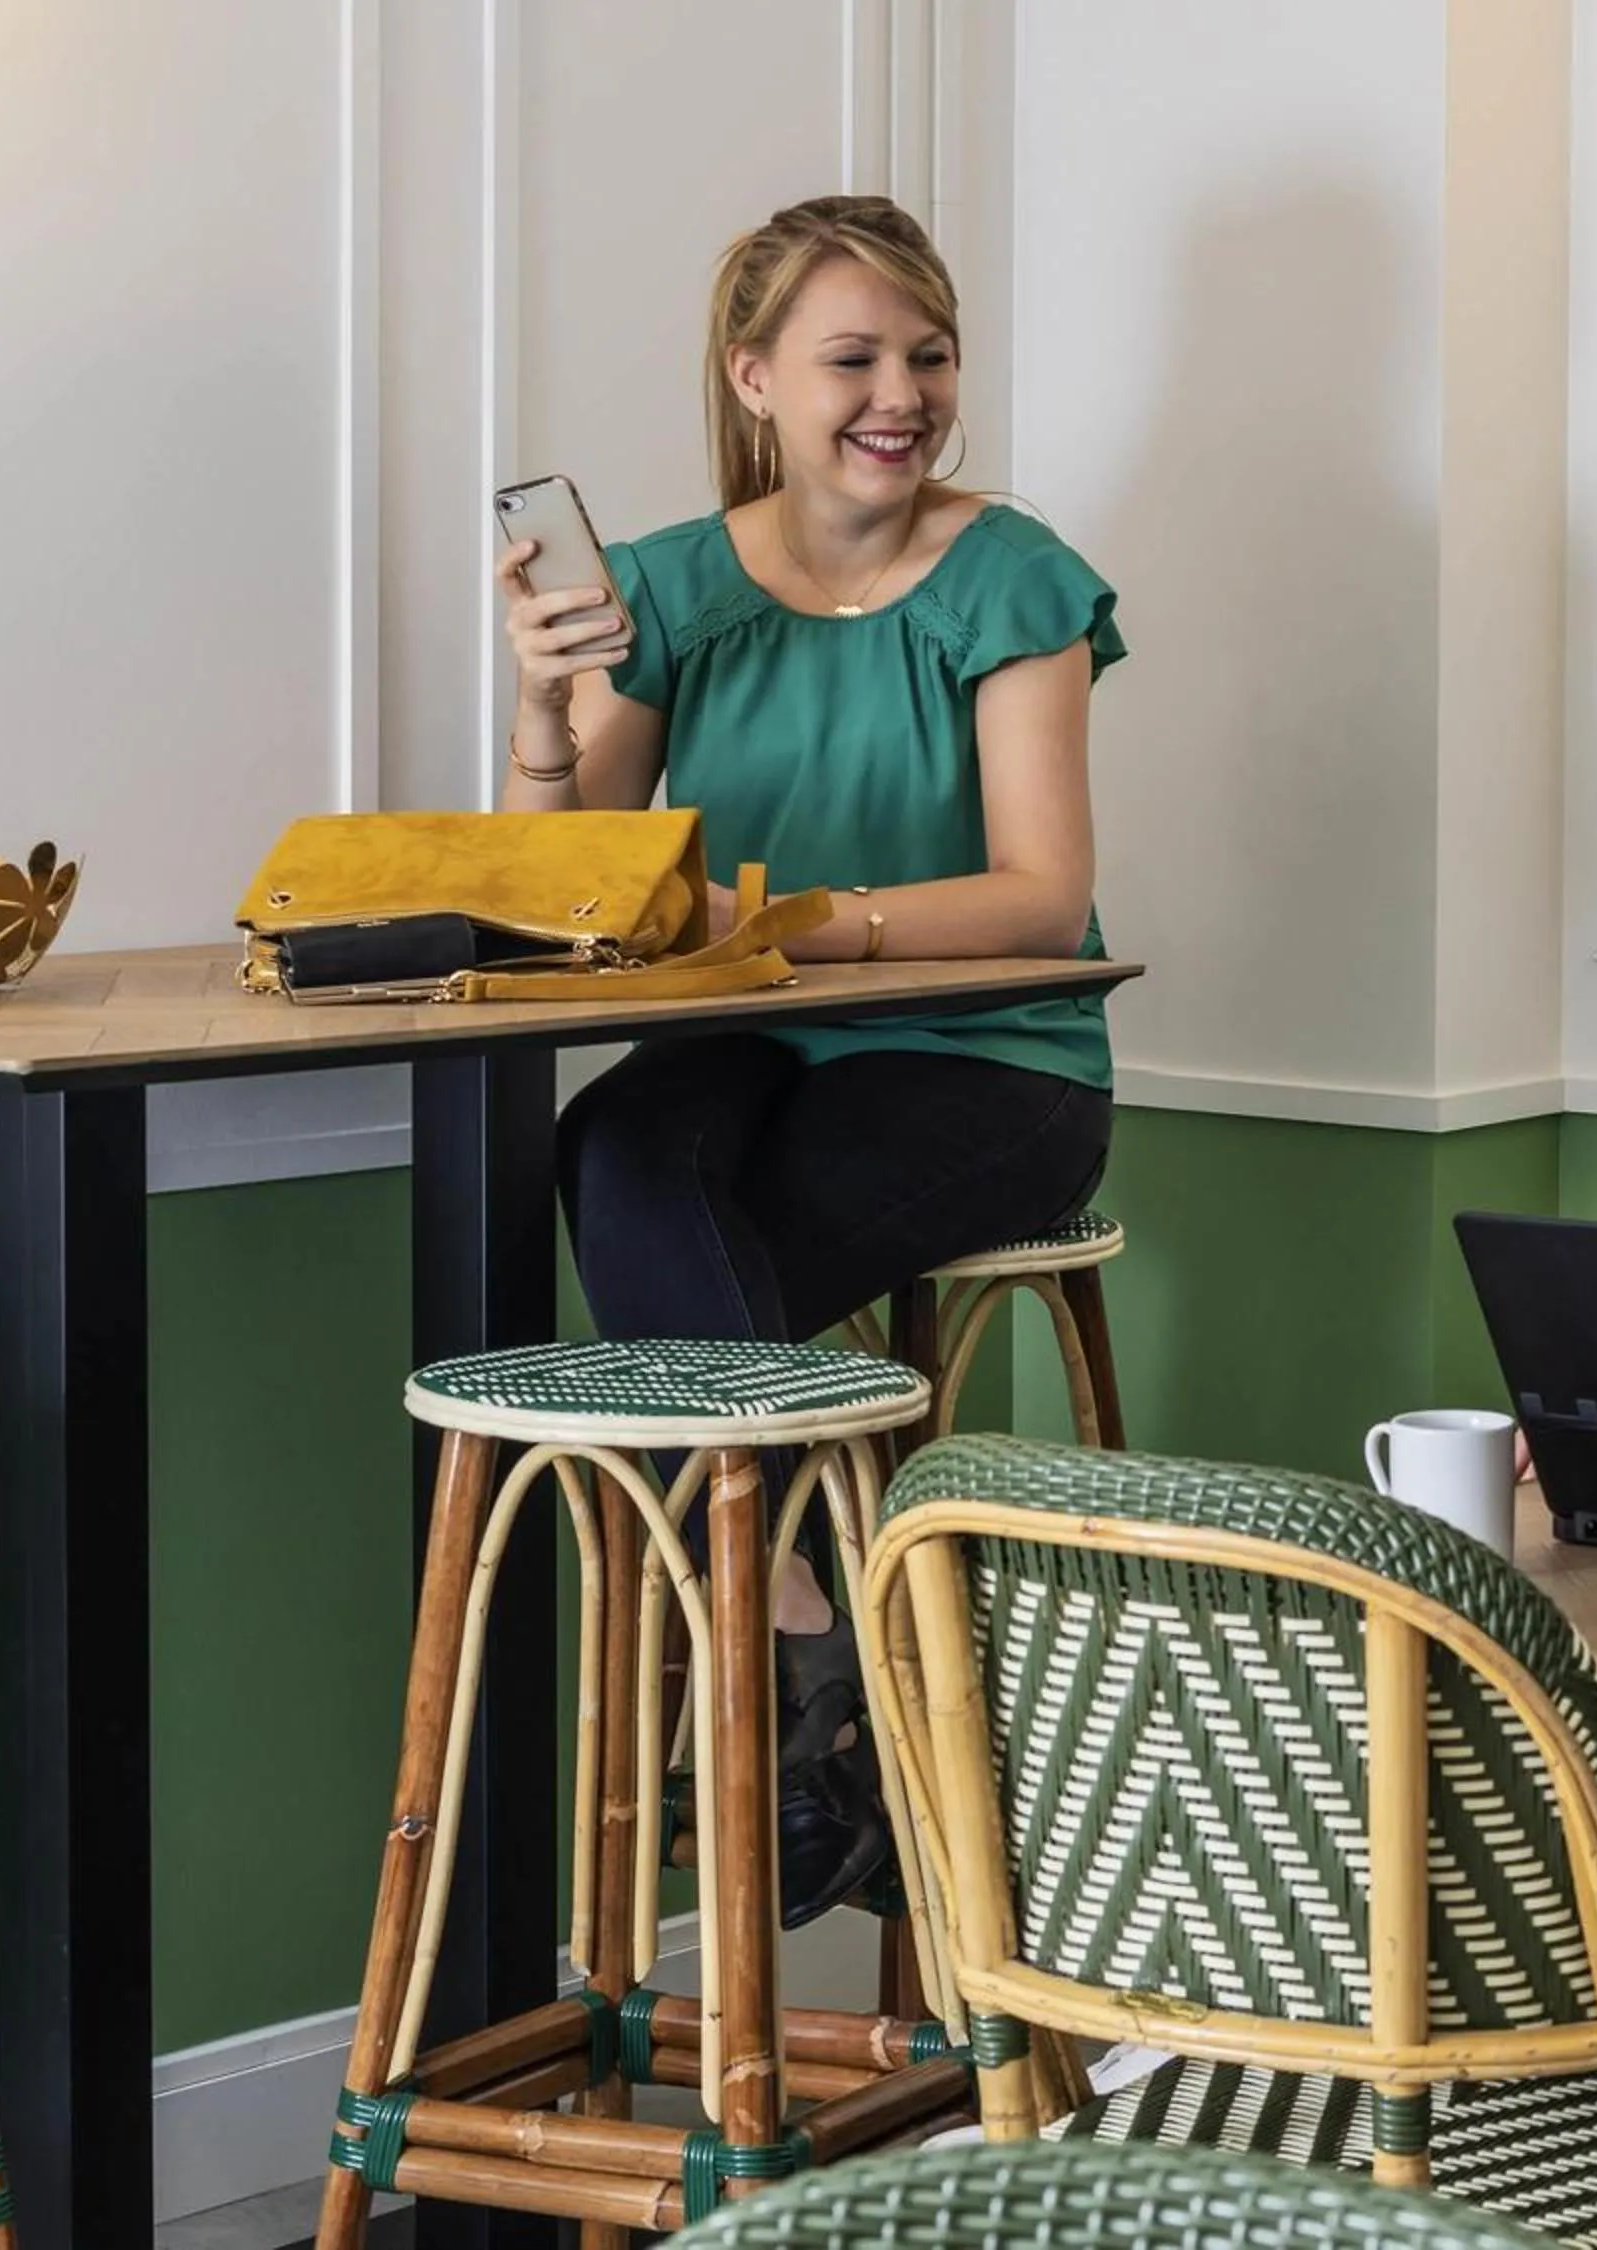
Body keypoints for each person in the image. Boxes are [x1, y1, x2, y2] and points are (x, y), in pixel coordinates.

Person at [494, 195, 1124, 1916]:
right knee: (618, 1154)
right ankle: (821, 1656)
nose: (899, 394)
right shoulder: (675, 588)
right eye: (854, 358)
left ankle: (795, 1700)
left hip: (991, 1054)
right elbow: (573, 886)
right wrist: (545, 725)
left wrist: (807, 924)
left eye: (927, 356)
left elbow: (1042, 892)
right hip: (750, 1037)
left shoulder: (1012, 578)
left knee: (692, 1258)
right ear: (755, 374)